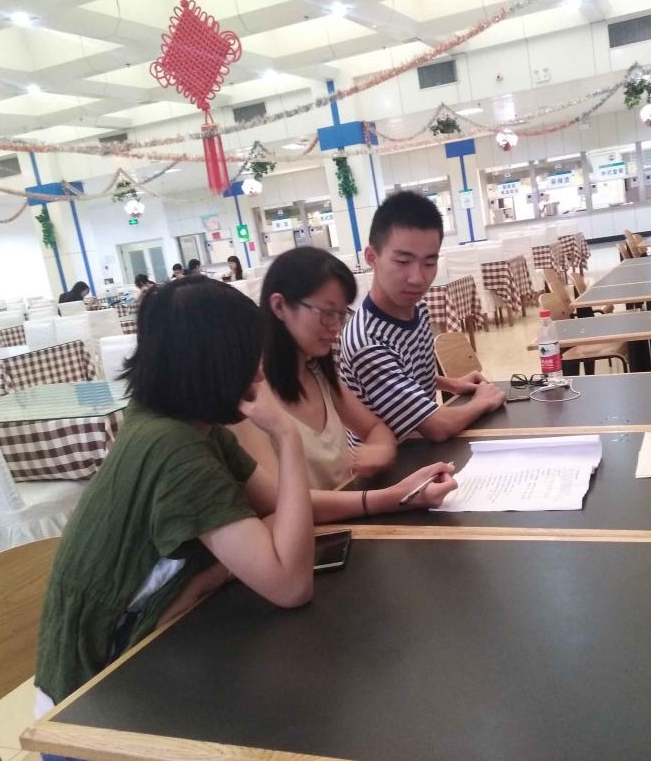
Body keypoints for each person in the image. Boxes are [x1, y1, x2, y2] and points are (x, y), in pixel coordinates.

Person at [35, 275, 314, 735]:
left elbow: (281, 507)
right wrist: (286, 436)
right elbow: (290, 585)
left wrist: (379, 499)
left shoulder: (177, 423)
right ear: (216, 364)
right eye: (250, 356)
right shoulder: (176, 451)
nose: (260, 373)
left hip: (130, 664)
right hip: (90, 708)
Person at [232, 246, 457, 521]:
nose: (337, 328)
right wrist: (394, 497)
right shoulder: (251, 397)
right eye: (327, 313)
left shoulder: (317, 373)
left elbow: (374, 428)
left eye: (341, 315)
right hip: (313, 537)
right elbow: (280, 502)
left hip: (351, 523)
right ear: (279, 306)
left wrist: (379, 449)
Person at [340, 191, 505, 442]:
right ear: (372, 257)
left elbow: (402, 375)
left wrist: (451, 384)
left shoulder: (417, 308)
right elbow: (438, 427)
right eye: (403, 261)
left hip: (421, 447)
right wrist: (482, 402)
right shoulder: (367, 342)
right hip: (394, 460)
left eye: (429, 263)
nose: (417, 279)